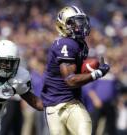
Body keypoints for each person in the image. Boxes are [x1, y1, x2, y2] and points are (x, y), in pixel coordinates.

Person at [41, 5, 110, 135]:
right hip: (54, 106)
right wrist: (97, 73)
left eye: (82, 22)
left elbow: (76, 73)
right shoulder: (65, 44)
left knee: (85, 129)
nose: (80, 26)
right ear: (62, 25)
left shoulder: (81, 44)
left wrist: (87, 69)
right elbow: (70, 80)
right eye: (75, 23)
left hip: (73, 103)